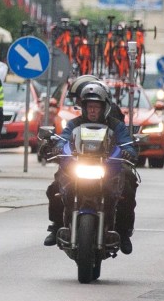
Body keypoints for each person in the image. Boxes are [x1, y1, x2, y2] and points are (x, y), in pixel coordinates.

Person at [43, 81, 137, 253]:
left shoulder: (116, 125)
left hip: (107, 168)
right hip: (79, 166)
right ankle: (56, 225)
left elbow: (127, 143)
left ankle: (123, 233)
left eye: (97, 107)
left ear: (105, 107)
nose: (93, 110)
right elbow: (63, 139)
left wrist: (128, 152)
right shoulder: (73, 124)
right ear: (84, 107)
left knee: (129, 185)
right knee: (55, 187)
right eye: (89, 106)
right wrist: (56, 148)